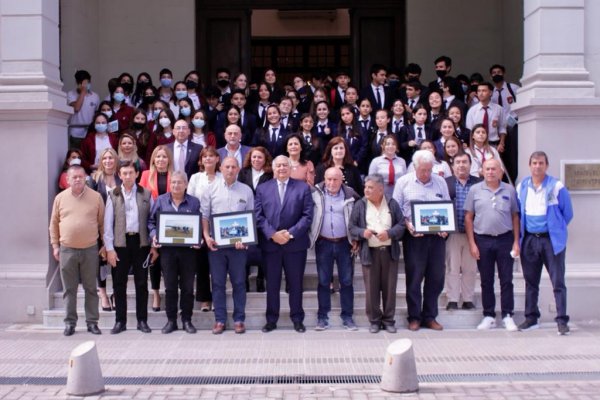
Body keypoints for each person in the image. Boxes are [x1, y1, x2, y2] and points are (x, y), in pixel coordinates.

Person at [516, 151, 574, 335]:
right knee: (530, 281)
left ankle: (562, 320)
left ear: (546, 165)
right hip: (530, 240)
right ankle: (531, 317)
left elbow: (567, 213)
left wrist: (556, 229)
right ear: (529, 165)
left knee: (558, 282)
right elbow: (518, 212)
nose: (537, 166)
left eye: (541, 163)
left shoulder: (556, 186)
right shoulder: (522, 186)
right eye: (534, 163)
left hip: (550, 240)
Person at [255, 155, 314, 333]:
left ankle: (297, 318)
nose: (282, 168)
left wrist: (289, 234)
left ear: (290, 168)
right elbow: (259, 216)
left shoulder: (303, 188)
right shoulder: (263, 188)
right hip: (271, 245)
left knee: (295, 284)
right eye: (278, 165)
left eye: (285, 165)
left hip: (294, 245)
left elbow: (307, 216)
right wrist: (272, 234)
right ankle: (271, 319)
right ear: (273, 168)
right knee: (272, 284)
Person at [393, 150, 450, 331]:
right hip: (414, 237)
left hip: (437, 238)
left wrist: (445, 227)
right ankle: (414, 317)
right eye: (423, 170)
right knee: (415, 277)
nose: (426, 173)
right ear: (415, 167)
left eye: (429, 170)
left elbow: (446, 206)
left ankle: (430, 316)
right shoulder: (403, 182)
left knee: (436, 278)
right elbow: (396, 209)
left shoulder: (440, 182)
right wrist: (407, 224)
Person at [464, 159, 520, 331]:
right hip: (483, 240)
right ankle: (488, 315)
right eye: (487, 169)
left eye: (494, 169)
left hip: (505, 239)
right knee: (486, 280)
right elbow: (468, 217)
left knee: (506, 279)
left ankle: (507, 315)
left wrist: (516, 242)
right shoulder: (475, 190)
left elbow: (515, 217)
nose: (490, 172)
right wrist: (472, 243)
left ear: (500, 171)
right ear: (482, 171)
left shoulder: (509, 189)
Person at [49, 164, 105, 336]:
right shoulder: (60, 198)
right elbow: (53, 224)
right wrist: (55, 246)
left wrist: (104, 245)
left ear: (86, 178)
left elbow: (102, 223)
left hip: (90, 249)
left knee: (90, 288)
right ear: (68, 179)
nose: (78, 179)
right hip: (67, 250)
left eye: (81, 176)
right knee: (69, 289)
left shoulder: (96, 197)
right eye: (74, 177)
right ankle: (70, 323)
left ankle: (92, 322)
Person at [202, 157, 254, 334]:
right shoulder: (210, 189)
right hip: (216, 244)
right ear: (221, 168)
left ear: (238, 169)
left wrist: (246, 240)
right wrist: (207, 236)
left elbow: (251, 217)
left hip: (238, 246)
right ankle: (220, 320)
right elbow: (205, 216)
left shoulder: (246, 191)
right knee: (217, 283)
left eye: (233, 167)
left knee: (239, 282)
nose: (230, 170)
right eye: (227, 167)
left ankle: (239, 319)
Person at [349, 174, 405, 333]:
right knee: (371, 289)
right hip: (370, 253)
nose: (366, 190)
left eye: (370, 187)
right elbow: (352, 227)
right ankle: (374, 321)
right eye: (365, 187)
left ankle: (388, 320)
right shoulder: (360, 204)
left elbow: (401, 225)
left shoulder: (392, 203)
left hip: (389, 252)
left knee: (390, 288)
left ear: (381, 189)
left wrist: (390, 233)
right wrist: (362, 232)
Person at [148, 171, 201, 334]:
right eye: (173, 182)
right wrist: (154, 235)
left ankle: (187, 320)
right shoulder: (161, 200)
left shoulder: (194, 202)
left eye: (179, 182)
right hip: (167, 251)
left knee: (187, 287)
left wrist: (199, 239)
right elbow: (151, 222)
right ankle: (171, 321)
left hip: (188, 252)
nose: (176, 185)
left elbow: (199, 223)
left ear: (185, 184)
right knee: (170, 287)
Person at [103, 161, 152, 334]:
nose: (128, 176)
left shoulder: (146, 193)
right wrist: (109, 249)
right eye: (124, 173)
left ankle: (142, 321)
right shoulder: (113, 194)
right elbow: (108, 225)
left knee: (141, 283)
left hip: (141, 243)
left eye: (131, 172)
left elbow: (151, 221)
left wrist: (153, 244)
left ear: (137, 174)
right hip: (120, 245)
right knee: (119, 284)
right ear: (119, 174)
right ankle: (120, 321)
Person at [310, 167, 359, 331]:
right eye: (329, 179)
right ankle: (322, 317)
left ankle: (348, 317)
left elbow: (359, 216)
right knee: (324, 281)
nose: (331, 183)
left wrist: (356, 239)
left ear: (341, 180)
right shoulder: (315, 193)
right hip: (323, 243)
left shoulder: (351, 194)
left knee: (346, 281)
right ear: (324, 178)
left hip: (345, 243)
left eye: (335, 179)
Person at [444, 153, 482, 310]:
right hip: (452, 233)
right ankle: (452, 298)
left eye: (464, 162)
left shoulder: (479, 183)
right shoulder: (446, 183)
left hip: (473, 234)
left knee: (470, 268)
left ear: (470, 165)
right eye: (458, 162)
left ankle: (467, 299)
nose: (461, 165)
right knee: (452, 267)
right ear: (453, 166)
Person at [139, 145, 174, 311]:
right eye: (158, 156)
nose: (161, 160)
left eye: (164, 157)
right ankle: (155, 294)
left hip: (170, 224)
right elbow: (141, 198)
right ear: (153, 159)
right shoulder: (146, 175)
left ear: (169, 159)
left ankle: (171, 292)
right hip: (150, 222)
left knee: (169, 260)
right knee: (153, 259)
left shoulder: (175, 175)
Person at [187, 147, 221, 312]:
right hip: (199, 224)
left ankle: (218, 297)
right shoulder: (195, 178)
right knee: (201, 265)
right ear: (201, 160)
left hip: (219, 226)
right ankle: (204, 299)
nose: (208, 159)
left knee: (217, 265)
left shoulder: (222, 177)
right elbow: (190, 202)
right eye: (205, 156)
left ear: (217, 159)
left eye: (211, 156)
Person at [67, 70, 100, 148]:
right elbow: (77, 108)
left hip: (90, 132)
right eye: (83, 83)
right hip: (76, 133)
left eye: (87, 83)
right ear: (78, 83)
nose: (85, 85)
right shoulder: (71, 94)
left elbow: (97, 114)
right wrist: (83, 92)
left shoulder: (95, 96)